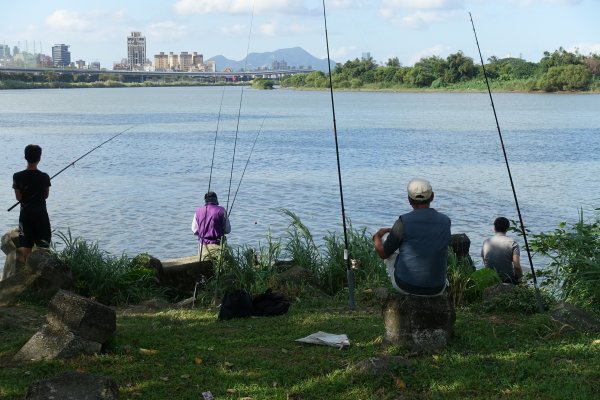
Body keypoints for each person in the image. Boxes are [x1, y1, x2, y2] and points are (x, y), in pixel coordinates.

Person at [372, 178, 451, 296]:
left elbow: (383, 254)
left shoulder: (403, 222)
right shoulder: (445, 221)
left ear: (409, 199)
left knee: (387, 241)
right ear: (432, 197)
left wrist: (377, 237)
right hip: (437, 288)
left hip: (405, 285)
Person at [12, 144, 52, 263]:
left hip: (26, 215)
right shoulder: (45, 177)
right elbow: (46, 196)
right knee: (44, 246)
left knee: (27, 245)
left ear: (25, 157)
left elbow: (18, 197)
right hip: (41, 215)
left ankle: (27, 270)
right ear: (39, 158)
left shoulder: (17, 176)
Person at [481, 216, 523, 284]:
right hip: (507, 280)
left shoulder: (486, 242)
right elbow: (517, 267)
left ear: (494, 228)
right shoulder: (513, 243)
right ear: (507, 229)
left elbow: (485, 261)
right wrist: (519, 280)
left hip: (489, 279)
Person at [191, 191, 231, 261]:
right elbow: (227, 230)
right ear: (216, 200)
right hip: (219, 245)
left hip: (203, 245)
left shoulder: (198, 211)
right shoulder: (222, 210)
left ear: (205, 201)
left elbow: (194, 230)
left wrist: (203, 234)